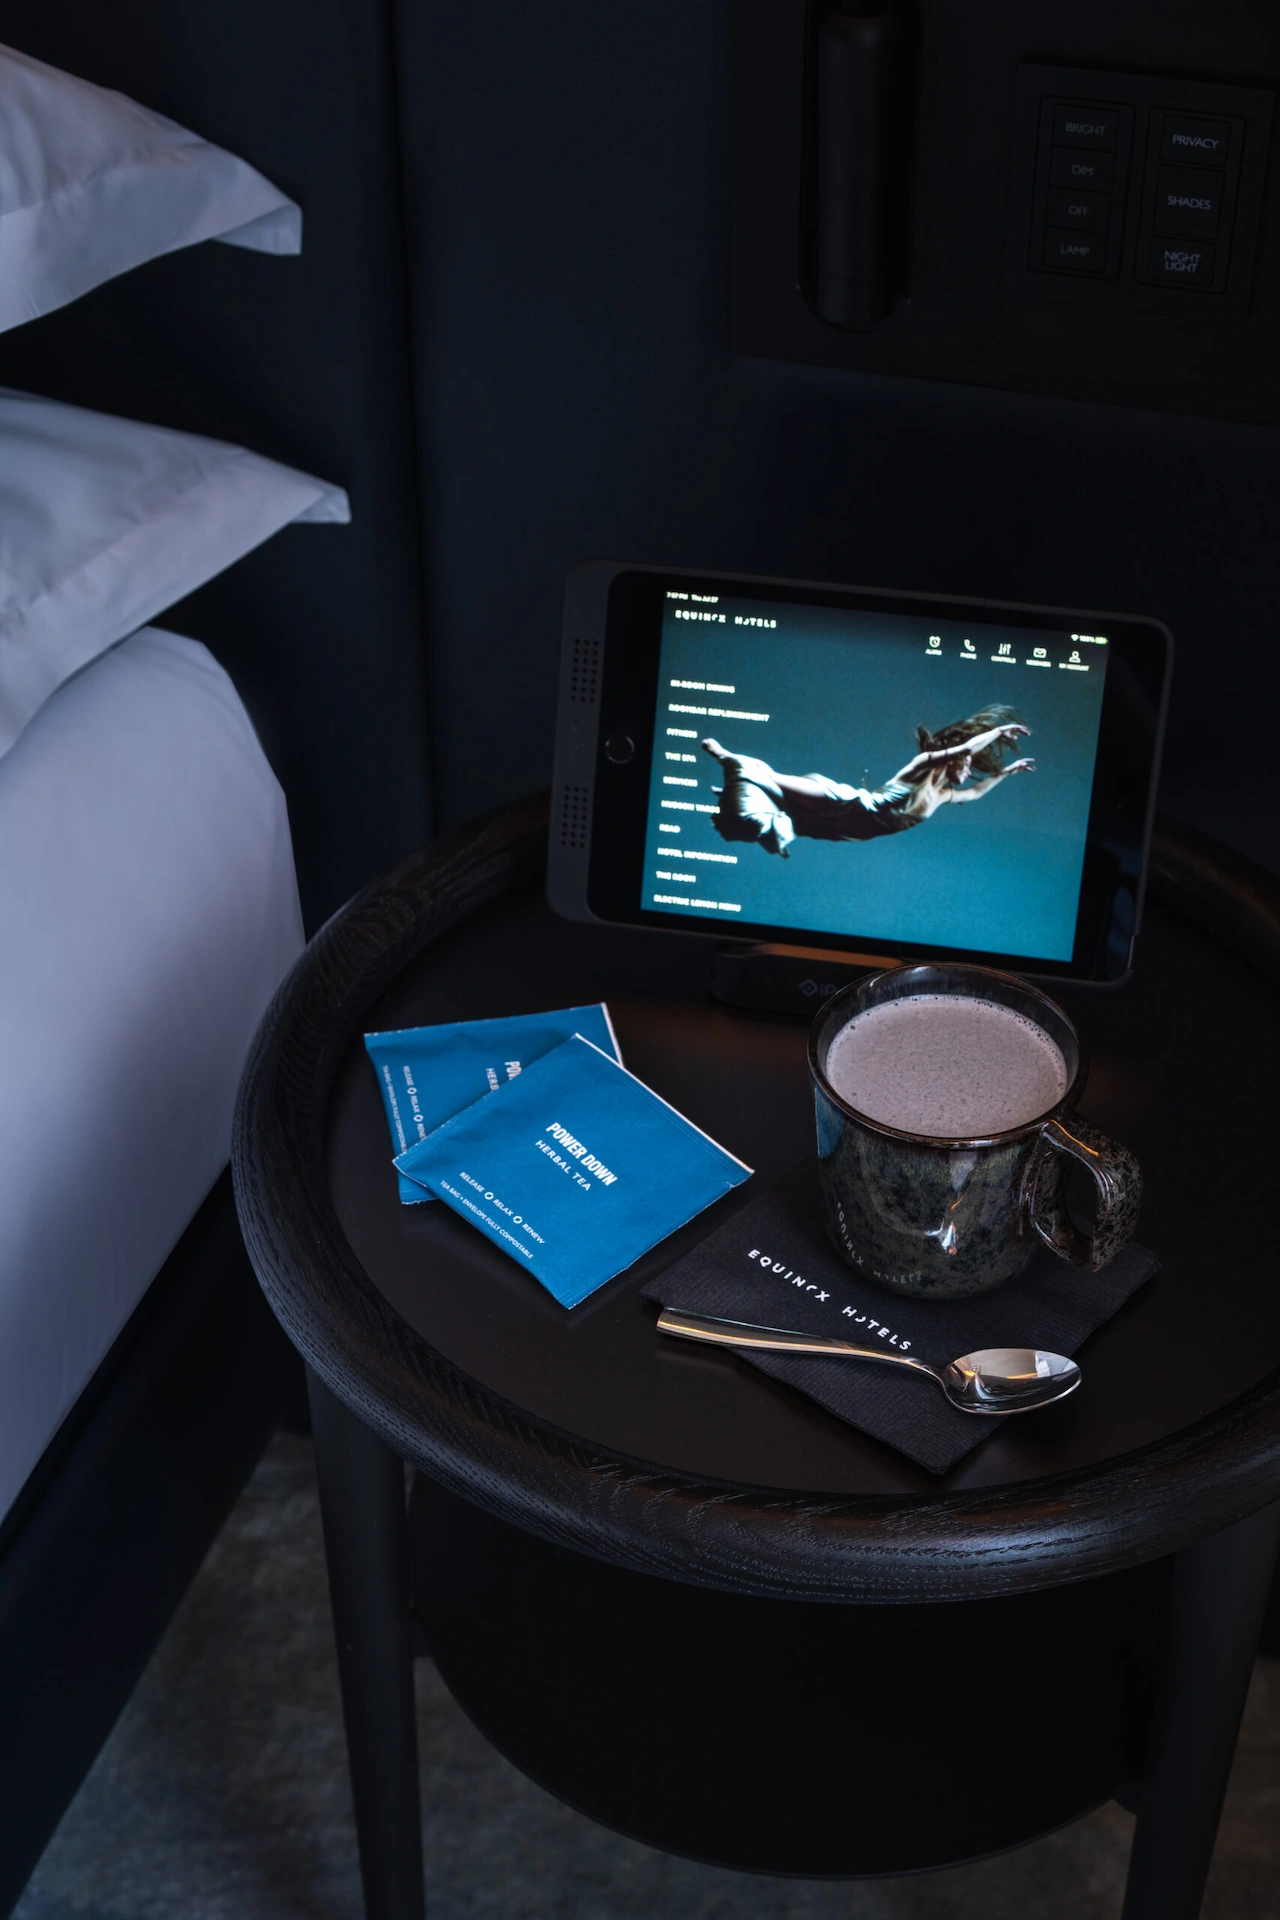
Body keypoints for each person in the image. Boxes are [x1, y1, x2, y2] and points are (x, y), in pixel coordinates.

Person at [701, 706, 1036, 858]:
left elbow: (976, 793)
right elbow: (963, 748)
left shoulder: (942, 795)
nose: (967, 773)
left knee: (780, 821)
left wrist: (1006, 774)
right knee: (771, 778)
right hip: (847, 802)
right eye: (965, 765)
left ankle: (739, 792)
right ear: (953, 758)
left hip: (852, 831)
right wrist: (996, 732)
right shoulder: (921, 767)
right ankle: (723, 755)